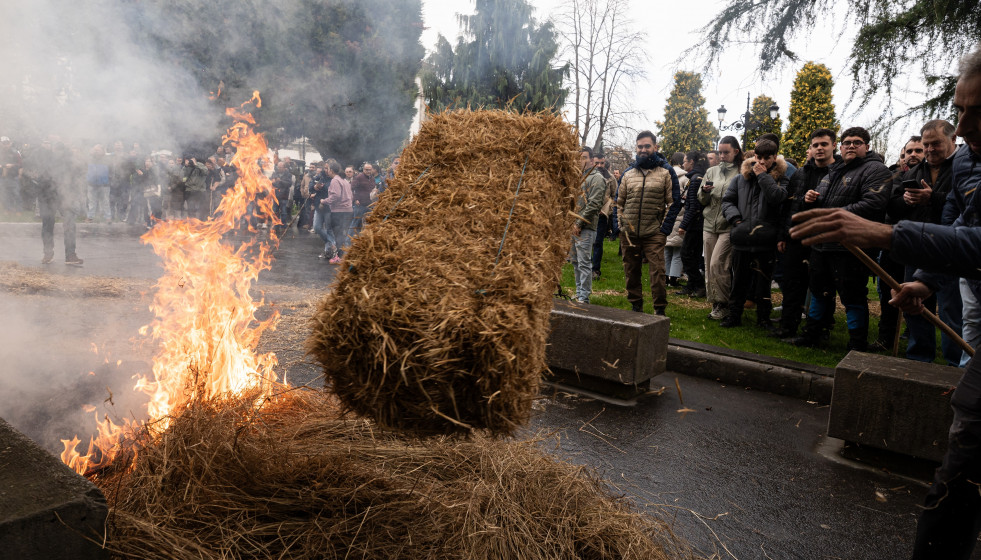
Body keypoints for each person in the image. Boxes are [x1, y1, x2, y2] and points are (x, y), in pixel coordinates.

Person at [789, 46, 980, 553]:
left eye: (975, 112)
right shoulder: (972, 165)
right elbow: (964, 228)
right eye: (959, 111)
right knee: (956, 481)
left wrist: (884, 232)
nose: (962, 129)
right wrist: (926, 281)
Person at [791, 126, 891, 350]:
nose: (851, 146)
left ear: (867, 146)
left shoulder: (875, 169)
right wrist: (810, 199)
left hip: (851, 246)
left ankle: (857, 344)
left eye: (857, 142)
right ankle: (812, 335)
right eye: (847, 142)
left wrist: (833, 216)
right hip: (823, 244)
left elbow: (873, 204)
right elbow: (823, 200)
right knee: (819, 291)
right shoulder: (834, 170)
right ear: (841, 146)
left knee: (853, 296)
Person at [886, 120, 962, 365]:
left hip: (953, 249)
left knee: (952, 310)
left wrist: (933, 198)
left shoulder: (964, 167)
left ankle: (955, 362)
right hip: (917, 248)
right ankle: (918, 359)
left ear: (953, 140)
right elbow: (892, 206)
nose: (929, 150)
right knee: (915, 306)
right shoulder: (914, 172)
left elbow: (966, 207)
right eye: (925, 145)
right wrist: (907, 201)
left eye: (935, 144)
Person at [770, 129, 840, 339]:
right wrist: (783, 235)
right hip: (797, 234)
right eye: (815, 145)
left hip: (824, 236)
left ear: (833, 146)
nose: (819, 148)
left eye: (824, 144)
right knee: (792, 283)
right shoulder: (800, 173)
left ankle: (819, 328)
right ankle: (788, 326)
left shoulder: (839, 173)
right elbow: (789, 206)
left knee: (822, 285)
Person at [719, 139, 788, 328]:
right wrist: (737, 220)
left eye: (767, 158)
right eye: (759, 157)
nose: (762, 162)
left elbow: (777, 199)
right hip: (742, 237)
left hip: (766, 239)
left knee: (763, 282)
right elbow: (727, 201)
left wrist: (763, 176)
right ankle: (734, 316)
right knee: (739, 280)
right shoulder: (740, 178)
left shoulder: (782, 178)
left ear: (775, 157)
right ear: (754, 156)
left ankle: (763, 319)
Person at [616, 131, 682, 315]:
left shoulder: (665, 172)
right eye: (640, 146)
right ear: (636, 148)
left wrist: (664, 229)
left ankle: (659, 309)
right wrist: (619, 225)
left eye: (647, 146)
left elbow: (673, 202)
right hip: (629, 233)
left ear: (655, 147)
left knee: (658, 273)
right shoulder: (628, 173)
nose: (643, 149)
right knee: (631, 271)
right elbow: (618, 201)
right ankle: (636, 305)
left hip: (654, 232)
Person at [699, 136, 743, 320]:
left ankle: (725, 304)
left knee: (719, 264)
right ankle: (716, 303)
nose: (722, 156)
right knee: (709, 266)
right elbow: (701, 200)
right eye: (720, 152)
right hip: (709, 223)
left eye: (726, 152)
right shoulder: (711, 171)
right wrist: (705, 192)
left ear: (736, 152)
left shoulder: (741, 172)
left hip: (728, 226)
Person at [23, 139, 83, 265]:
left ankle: (70, 255)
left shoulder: (69, 159)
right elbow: (25, 166)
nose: (56, 150)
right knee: (48, 225)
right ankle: (48, 254)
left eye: (58, 148)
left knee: (70, 224)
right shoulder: (40, 156)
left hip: (64, 196)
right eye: (52, 146)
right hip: (46, 195)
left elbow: (76, 175)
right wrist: (32, 175)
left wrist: (73, 192)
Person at [571, 146, 606, 304]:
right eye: (579, 158)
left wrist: (579, 222)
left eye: (584, 157)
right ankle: (578, 292)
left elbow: (594, 204)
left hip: (586, 227)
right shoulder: (578, 178)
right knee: (575, 261)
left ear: (592, 160)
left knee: (584, 262)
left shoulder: (596, 178)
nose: (581, 161)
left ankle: (584, 297)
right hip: (573, 226)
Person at [676, 150, 708, 298]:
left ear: (692, 162)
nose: (683, 163)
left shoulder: (695, 179)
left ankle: (699, 284)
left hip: (695, 225)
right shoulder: (694, 178)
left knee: (686, 255)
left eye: (685, 160)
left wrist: (684, 225)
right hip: (696, 224)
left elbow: (694, 206)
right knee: (693, 256)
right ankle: (691, 285)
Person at [590, 152, 617, 278]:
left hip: (601, 215)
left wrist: (606, 210)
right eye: (597, 163)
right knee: (586, 241)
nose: (600, 165)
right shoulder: (587, 176)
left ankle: (595, 269)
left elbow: (614, 196)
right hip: (588, 213)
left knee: (598, 242)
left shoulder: (611, 178)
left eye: (602, 163)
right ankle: (584, 267)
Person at [323, 159, 353, 263]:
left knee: (339, 235)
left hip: (339, 211)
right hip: (348, 210)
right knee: (343, 234)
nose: (327, 171)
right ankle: (342, 256)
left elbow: (335, 196)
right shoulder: (344, 180)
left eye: (328, 169)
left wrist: (324, 201)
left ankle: (339, 258)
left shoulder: (335, 180)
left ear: (331, 170)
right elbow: (351, 196)